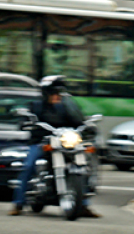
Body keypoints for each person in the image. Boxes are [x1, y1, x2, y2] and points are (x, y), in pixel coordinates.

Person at [10, 76, 100, 218]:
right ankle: (18, 203)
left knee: (82, 168)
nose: (57, 96)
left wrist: (87, 126)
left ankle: (83, 205)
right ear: (46, 93)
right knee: (28, 166)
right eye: (54, 93)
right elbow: (26, 120)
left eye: (59, 93)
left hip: (63, 141)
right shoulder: (36, 106)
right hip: (42, 141)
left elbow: (78, 120)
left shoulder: (66, 107)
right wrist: (27, 122)